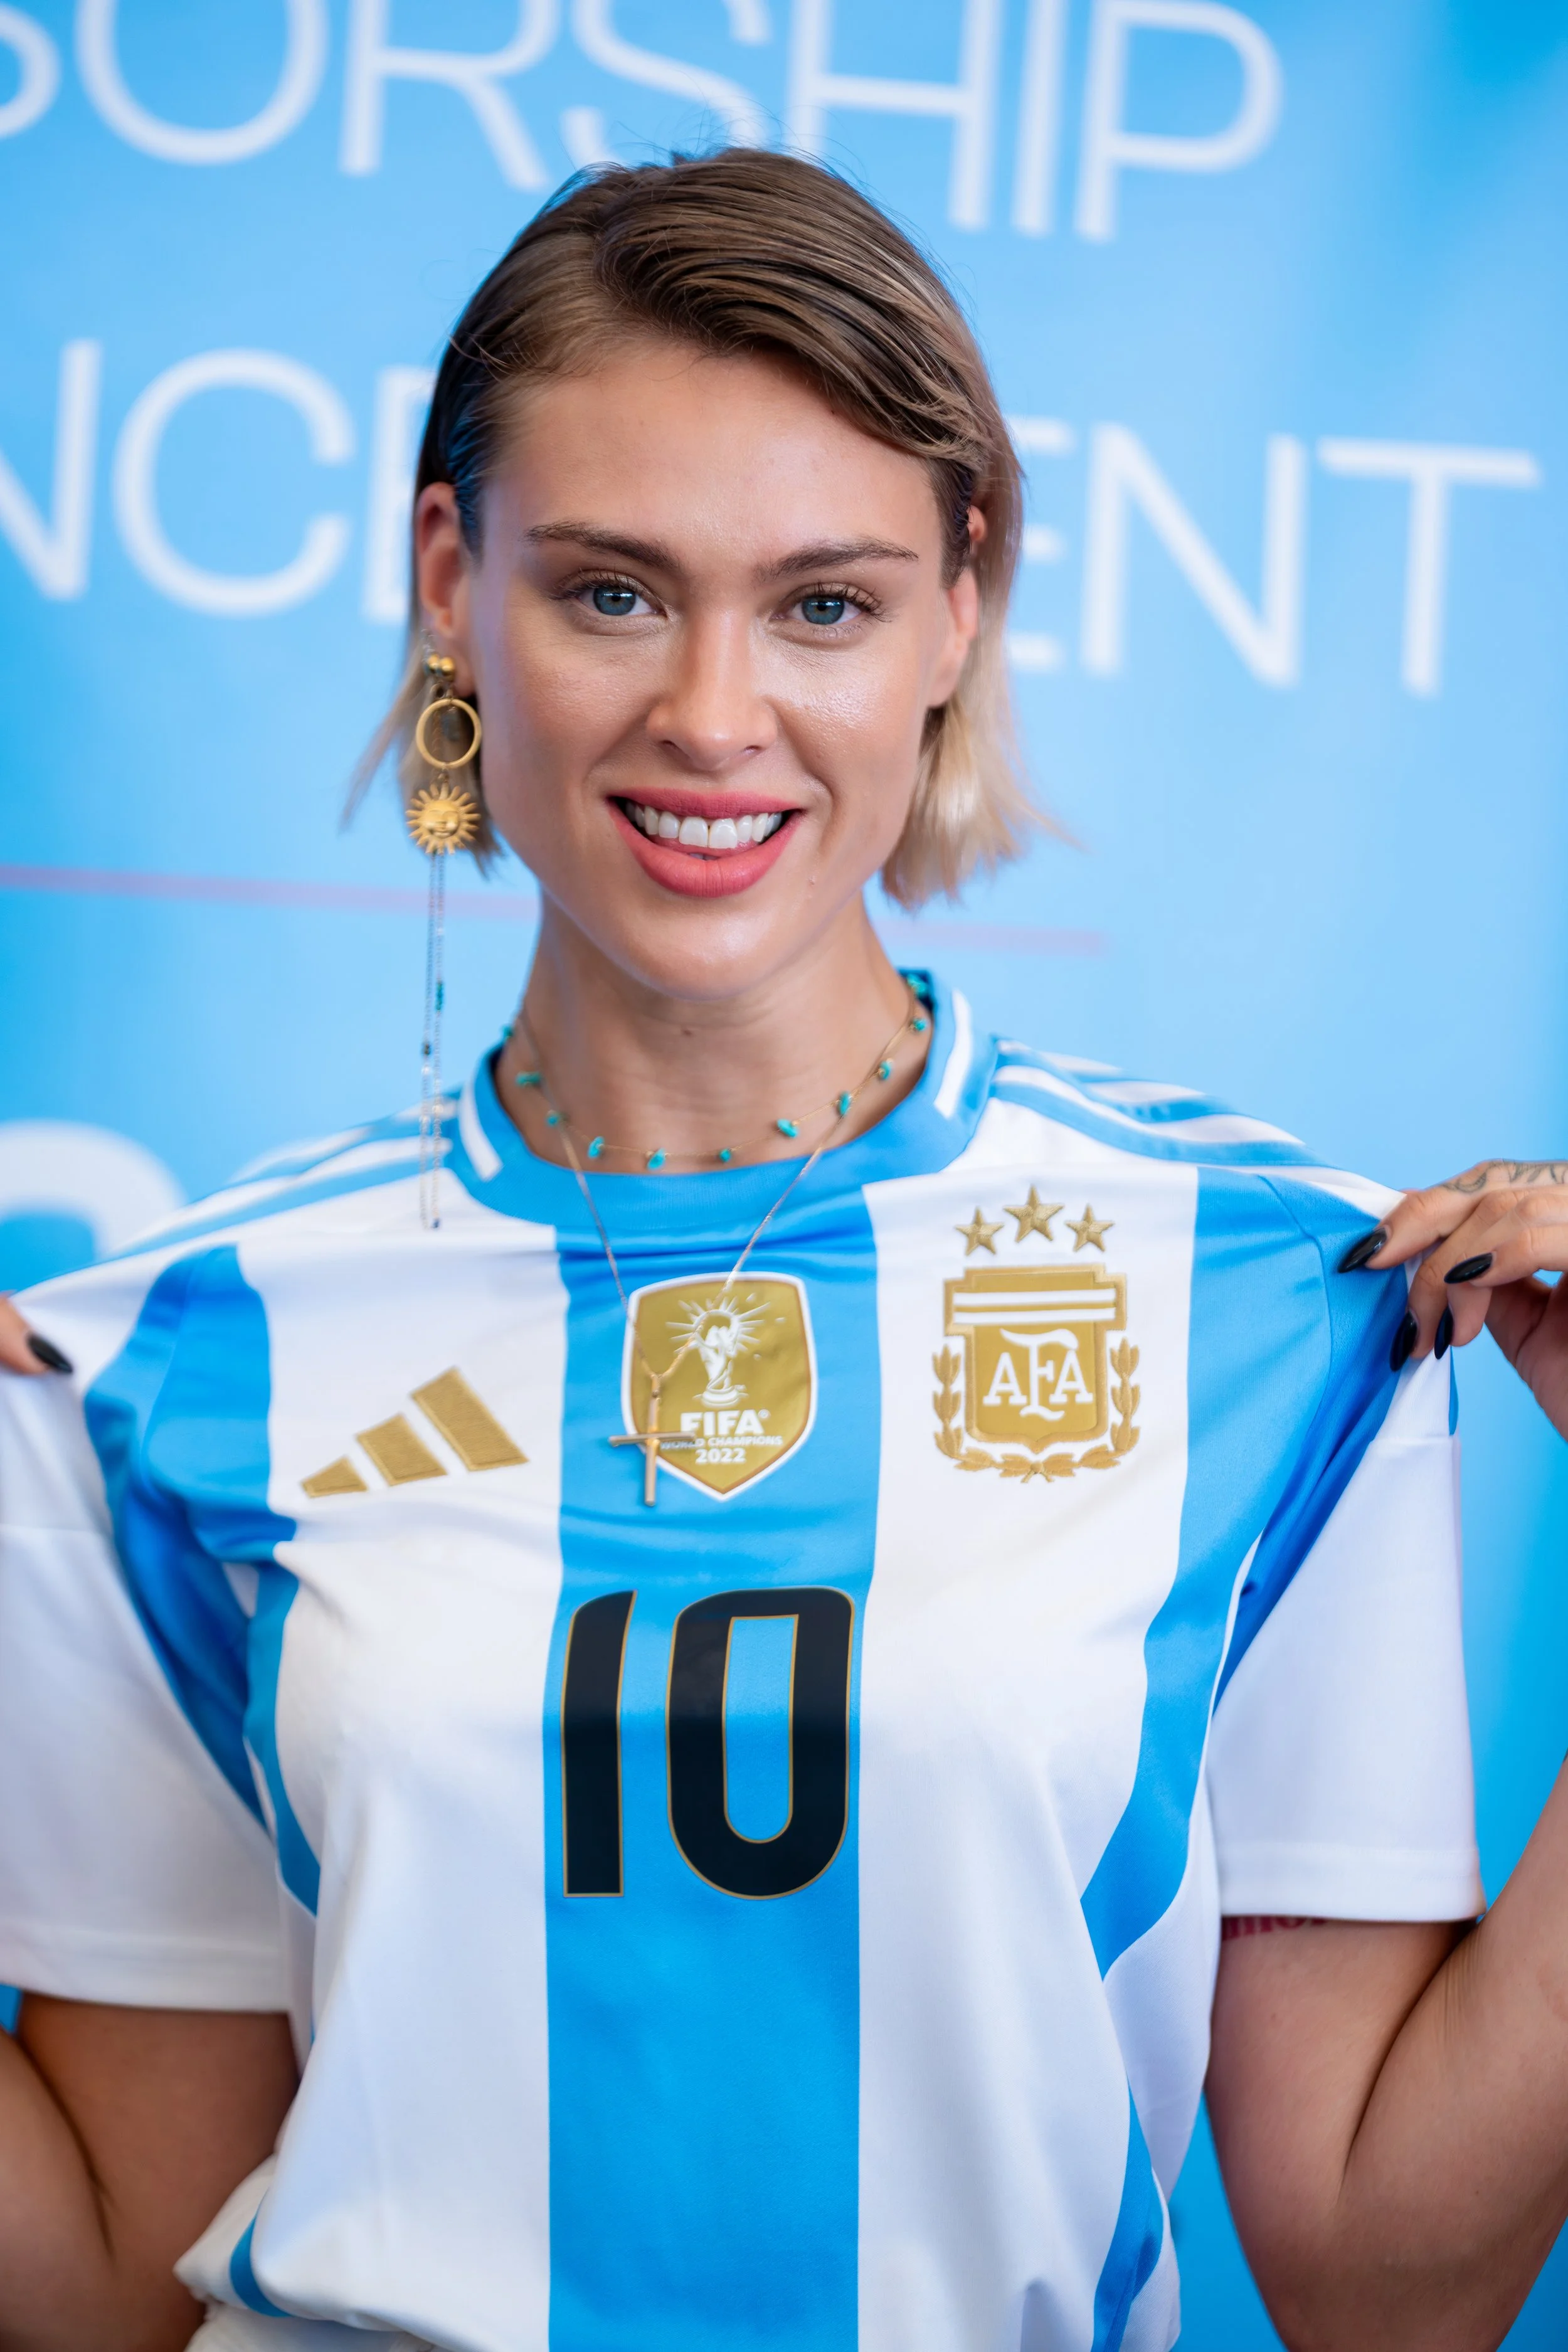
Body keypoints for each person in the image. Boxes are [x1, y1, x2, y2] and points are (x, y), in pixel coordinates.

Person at [1, 151, 1567, 2352]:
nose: (714, 714)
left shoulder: (1282, 1297)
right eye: (611, 591)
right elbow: (101, 2276)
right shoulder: (169, 1351)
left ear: (960, 606)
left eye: (822, 603)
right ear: (450, 581)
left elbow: (1392, 2285)